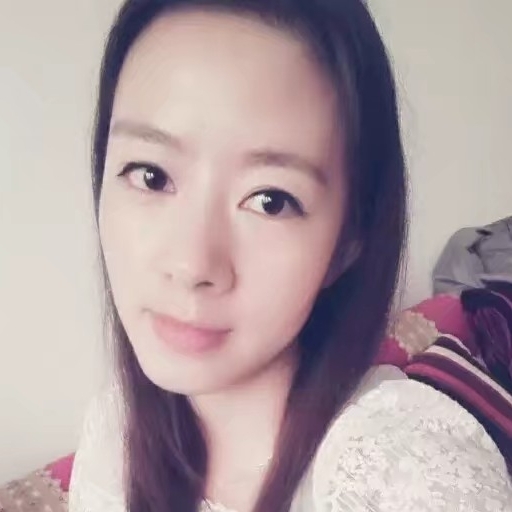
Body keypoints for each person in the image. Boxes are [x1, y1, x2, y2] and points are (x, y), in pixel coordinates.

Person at [68, 0, 512, 511]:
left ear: (348, 242)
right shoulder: (114, 434)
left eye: (271, 201)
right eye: (151, 176)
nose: (192, 266)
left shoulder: (404, 472)